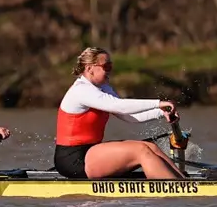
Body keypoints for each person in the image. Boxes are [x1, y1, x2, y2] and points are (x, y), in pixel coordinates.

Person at [53, 46, 183, 180]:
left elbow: (129, 116)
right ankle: (176, 189)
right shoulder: (81, 90)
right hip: (72, 159)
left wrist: (160, 112)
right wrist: (157, 103)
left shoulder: (104, 88)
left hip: (91, 152)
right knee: (141, 151)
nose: (109, 71)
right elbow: (120, 106)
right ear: (89, 68)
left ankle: (182, 181)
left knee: (150, 147)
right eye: (106, 67)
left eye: (111, 66)